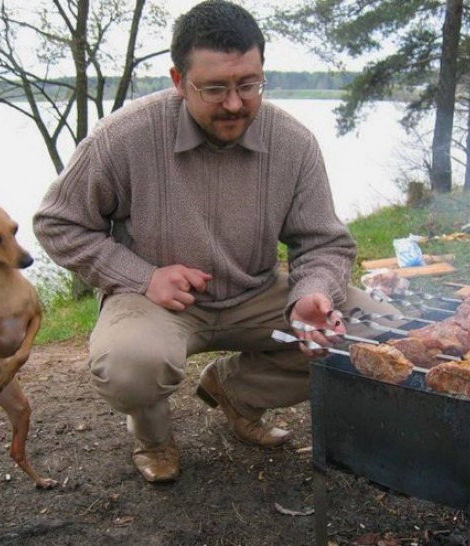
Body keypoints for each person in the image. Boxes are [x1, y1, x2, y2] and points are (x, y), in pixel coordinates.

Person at [33, 0, 400, 484]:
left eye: (248, 84)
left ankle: (236, 392)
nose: (234, 103)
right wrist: (142, 277)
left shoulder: (294, 143)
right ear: (178, 81)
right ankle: (154, 438)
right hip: (160, 302)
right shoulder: (124, 137)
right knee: (130, 366)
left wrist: (313, 292)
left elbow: (324, 243)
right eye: (215, 88)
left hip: (256, 294)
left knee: (377, 329)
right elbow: (57, 223)